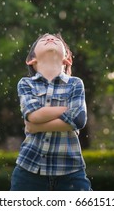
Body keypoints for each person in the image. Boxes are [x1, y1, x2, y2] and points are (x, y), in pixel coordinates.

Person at [10, 33, 92, 191]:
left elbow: (79, 120)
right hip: (29, 169)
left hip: (71, 172)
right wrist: (66, 110)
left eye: (56, 40)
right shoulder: (26, 84)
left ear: (67, 58)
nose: (50, 39)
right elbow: (32, 115)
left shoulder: (75, 84)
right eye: (43, 40)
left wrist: (37, 126)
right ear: (31, 60)